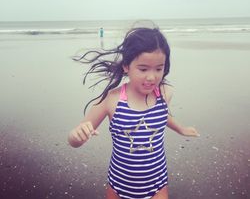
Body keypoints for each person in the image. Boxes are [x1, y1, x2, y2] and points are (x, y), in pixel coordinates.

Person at [68, 26, 199, 199]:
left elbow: (161, 116)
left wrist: (181, 128)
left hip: (157, 184)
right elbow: (75, 139)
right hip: (119, 185)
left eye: (159, 69)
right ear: (126, 66)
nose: (152, 77)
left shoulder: (165, 93)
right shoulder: (112, 100)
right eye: (143, 69)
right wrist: (76, 137)